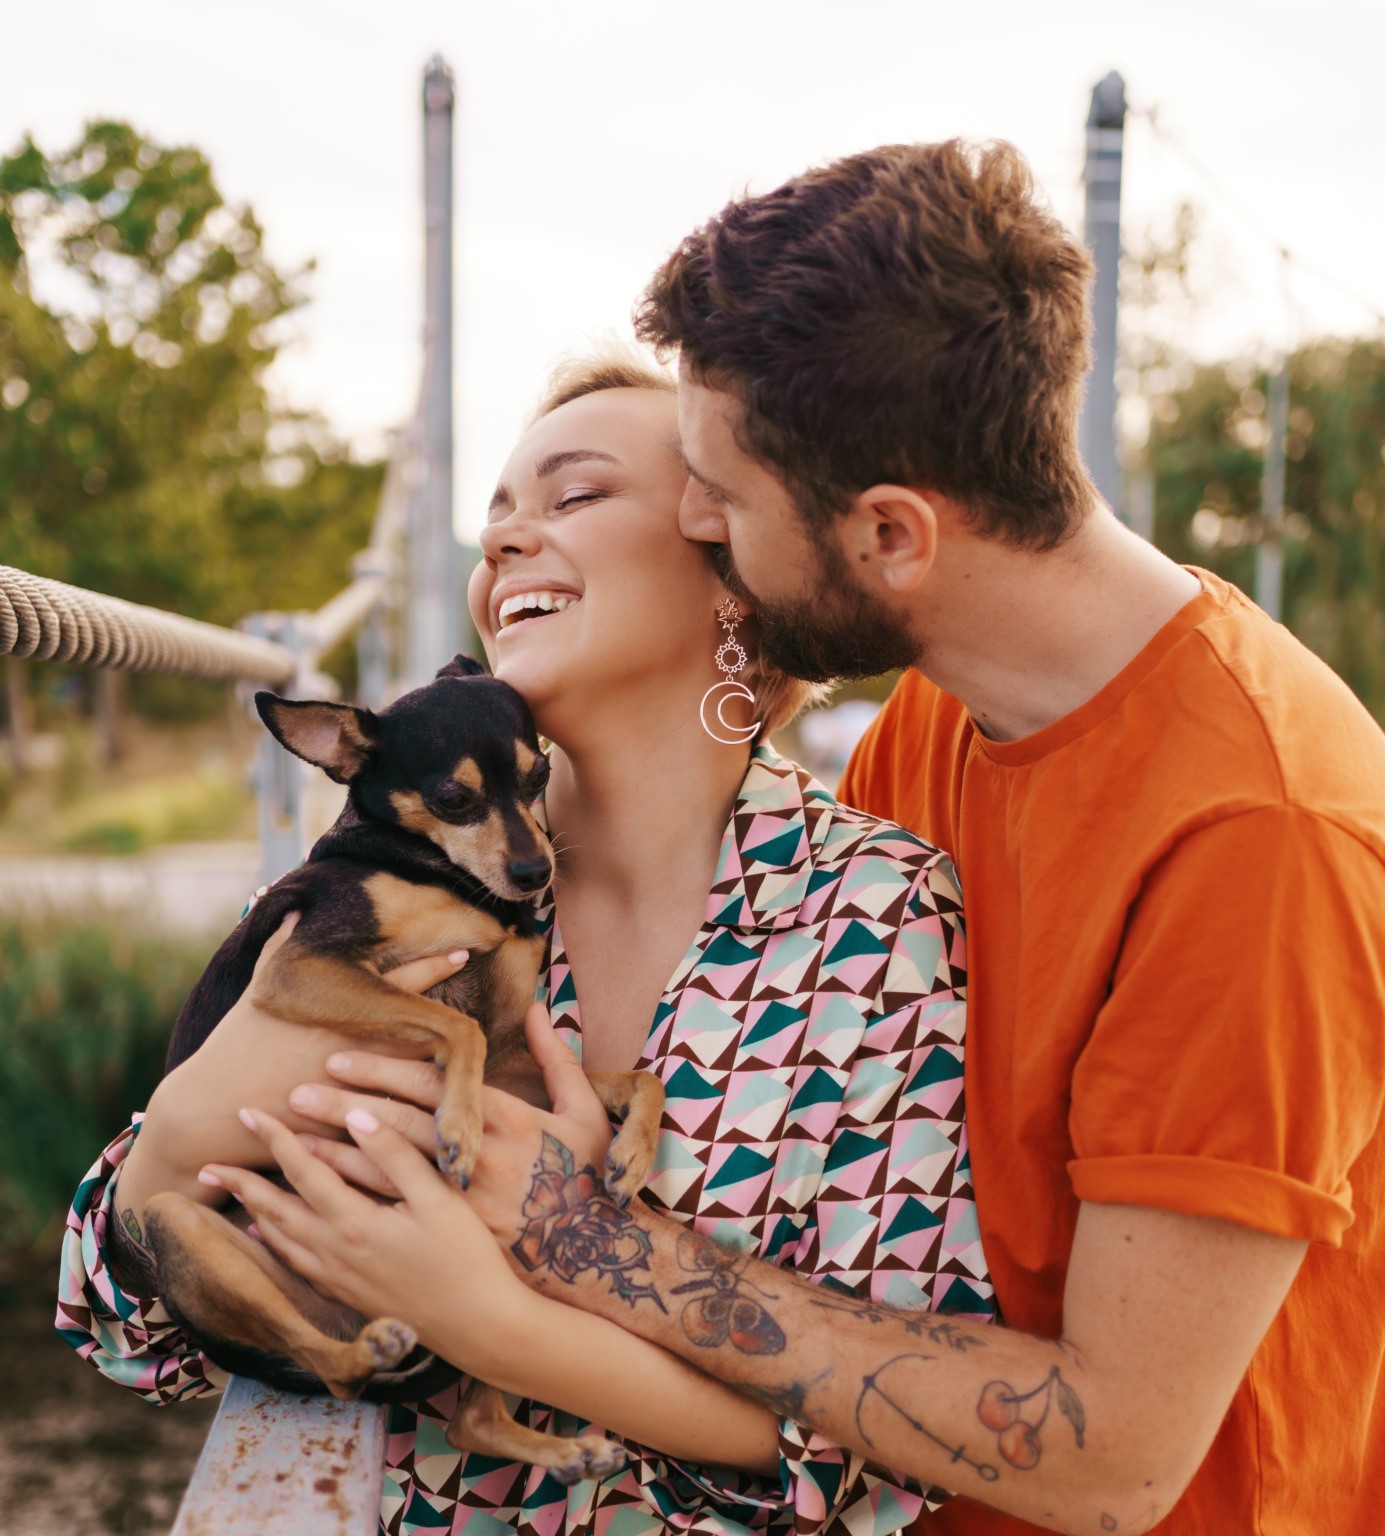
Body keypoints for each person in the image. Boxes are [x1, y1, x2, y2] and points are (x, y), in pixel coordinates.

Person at [287, 143, 1385, 1534]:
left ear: (889, 533)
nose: (695, 521)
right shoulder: (932, 727)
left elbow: (1117, 1463)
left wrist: (577, 1243)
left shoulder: (1265, 834)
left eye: (724, 498)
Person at [56, 351, 996, 1536]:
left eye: (574, 495)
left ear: (736, 564)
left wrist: (503, 1325)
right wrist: (180, 1140)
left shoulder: (874, 918)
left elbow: (880, 1449)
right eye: (495, 513)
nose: (498, 542)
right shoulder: (404, 872)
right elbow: (116, 1310)